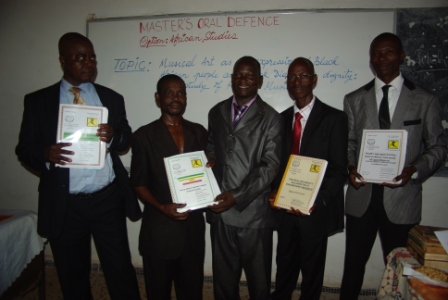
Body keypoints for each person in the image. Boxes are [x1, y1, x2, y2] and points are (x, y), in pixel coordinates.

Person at [15, 32, 141, 300]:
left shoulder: (111, 98)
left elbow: (126, 137)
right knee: (72, 274)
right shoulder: (38, 102)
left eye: (92, 57)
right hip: (65, 203)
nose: (89, 63)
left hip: (107, 199)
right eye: (80, 57)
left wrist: (115, 136)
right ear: (62, 60)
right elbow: (24, 149)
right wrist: (45, 154)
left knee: (119, 268)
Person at [340, 32, 448, 299]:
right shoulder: (354, 99)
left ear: (401, 55)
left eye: (388, 51)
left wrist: (414, 170)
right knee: (352, 266)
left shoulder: (425, 99)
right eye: (375, 53)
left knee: (402, 268)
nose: (381, 58)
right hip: (361, 196)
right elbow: (349, 142)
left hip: (402, 198)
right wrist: (350, 167)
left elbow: (439, 147)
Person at [269, 57, 348, 300]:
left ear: (314, 80)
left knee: (312, 273)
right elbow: (275, 165)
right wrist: (273, 191)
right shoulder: (279, 120)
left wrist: (319, 200)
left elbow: (339, 169)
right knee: (284, 266)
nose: (297, 81)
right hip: (285, 210)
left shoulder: (334, 119)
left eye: (303, 76)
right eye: (292, 76)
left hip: (315, 210)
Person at [205, 56, 283, 300]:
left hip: (253, 215)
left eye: (249, 75)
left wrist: (236, 196)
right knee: (223, 283)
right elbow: (212, 146)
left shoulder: (272, 118)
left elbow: (269, 166)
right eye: (238, 74)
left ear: (259, 81)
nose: (243, 80)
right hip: (220, 211)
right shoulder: (216, 111)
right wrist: (210, 159)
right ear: (231, 79)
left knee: (258, 284)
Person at [130, 74, 207, 300]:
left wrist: (211, 167)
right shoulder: (144, 136)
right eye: (169, 93)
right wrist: (162, 207)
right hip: (159, 232)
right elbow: (138, 183)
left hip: (192, 232)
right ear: (158, 98)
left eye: (181, 93)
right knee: (158, 293)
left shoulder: (199, 132)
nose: (176, 98)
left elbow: (207, 172)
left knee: (192, 292)